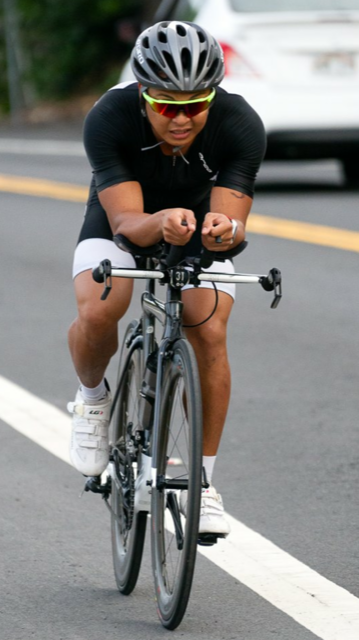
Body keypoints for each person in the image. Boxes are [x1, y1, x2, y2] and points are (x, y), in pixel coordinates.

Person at [67, 20, 266, 537]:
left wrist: (223, 232)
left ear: (213, 95)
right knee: (99, 307)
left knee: (209, 329)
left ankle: (201, 483)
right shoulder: (109, 116)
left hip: (197, 220)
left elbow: (231, 221)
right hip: (127, 215)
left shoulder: (240, 123)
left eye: (196, 105)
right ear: (142, 94)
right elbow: (126, 225)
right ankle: (91, 401)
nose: (183, 118)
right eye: (167, 107)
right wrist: (159, 224)